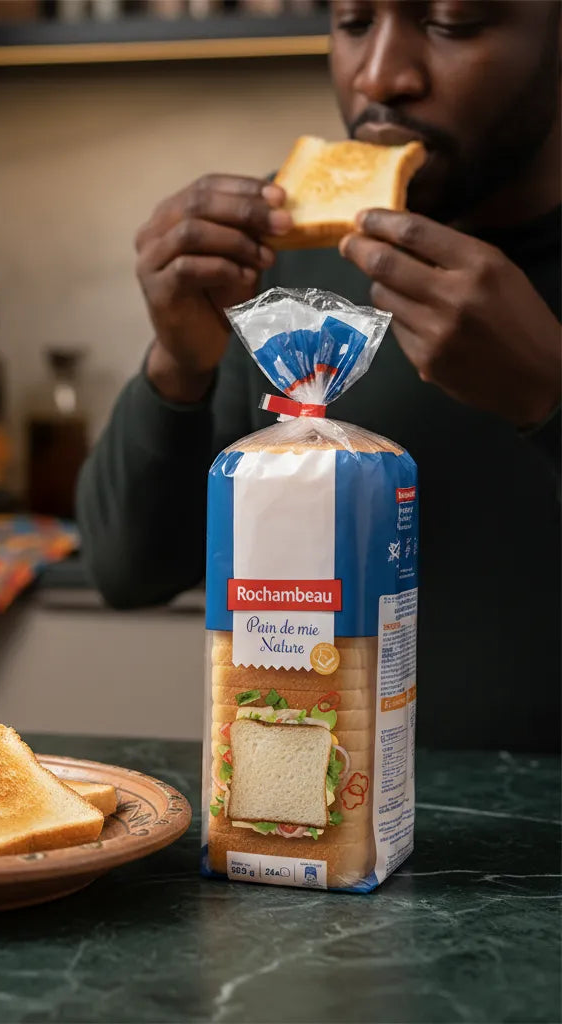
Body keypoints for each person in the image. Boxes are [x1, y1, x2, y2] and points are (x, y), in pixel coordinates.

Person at [77, 0, 561, 753]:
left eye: (452, 21)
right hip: (319, 825)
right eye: (353, 21)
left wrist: (549, 395)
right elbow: (128, 570)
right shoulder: (285, 254)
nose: (379, 76)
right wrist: (179, 364)